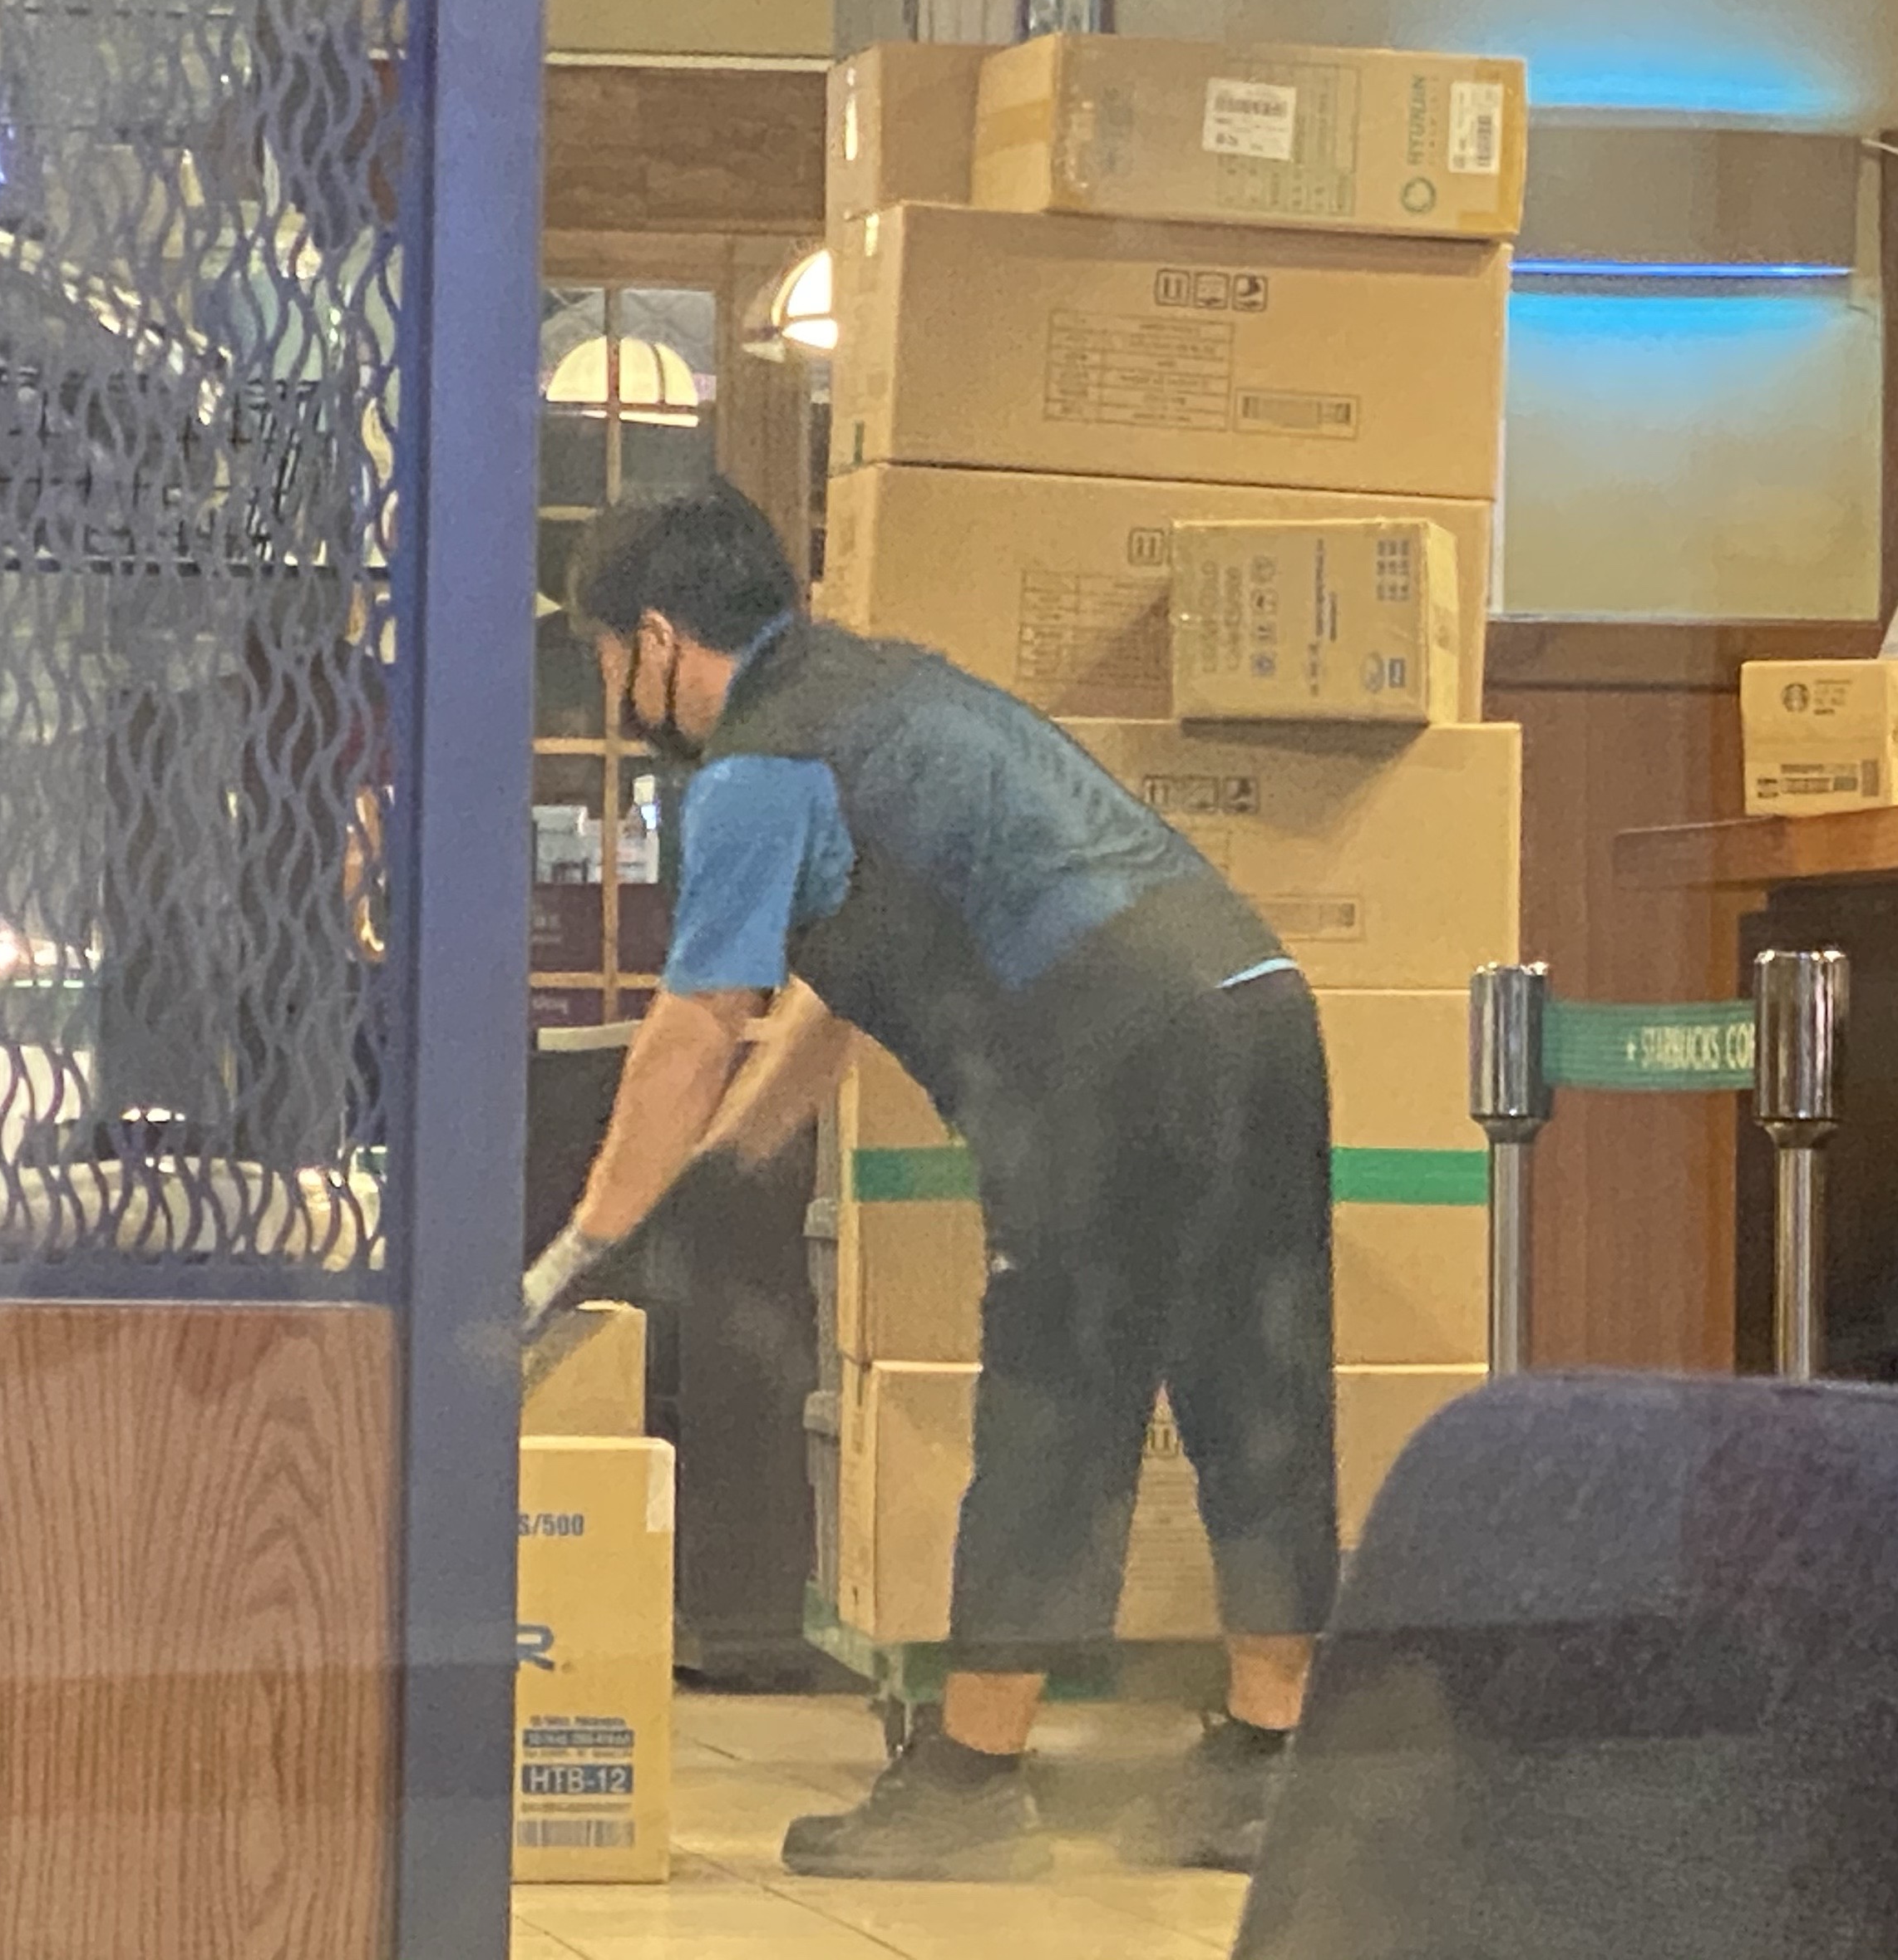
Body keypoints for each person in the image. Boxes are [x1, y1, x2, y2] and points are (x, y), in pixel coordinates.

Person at [522, 483, 1339, 1882]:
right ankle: (1275, 1761)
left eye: (606, 659)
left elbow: (699, 1020)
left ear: (653, 639)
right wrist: (736, 1158)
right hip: (1251, 1004)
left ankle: (970, 1781)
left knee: (1053, 1405)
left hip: (1097, 1055)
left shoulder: (757, 770)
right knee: (1250, 1381)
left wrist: (578, 1247)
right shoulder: (889, 691)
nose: (612, 693)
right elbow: (838, 989)